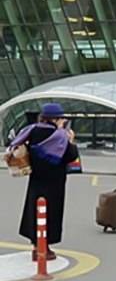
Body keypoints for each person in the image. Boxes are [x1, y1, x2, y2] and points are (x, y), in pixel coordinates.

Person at [16, 103, 78, 261]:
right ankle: (45, 248)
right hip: (54, 181)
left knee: (34, 211)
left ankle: (36, 246)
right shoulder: (60, 135)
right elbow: (70, 156)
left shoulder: (32, 130)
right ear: (56, 119)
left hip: (36, 178)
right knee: (51, 213)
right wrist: (71, 141)